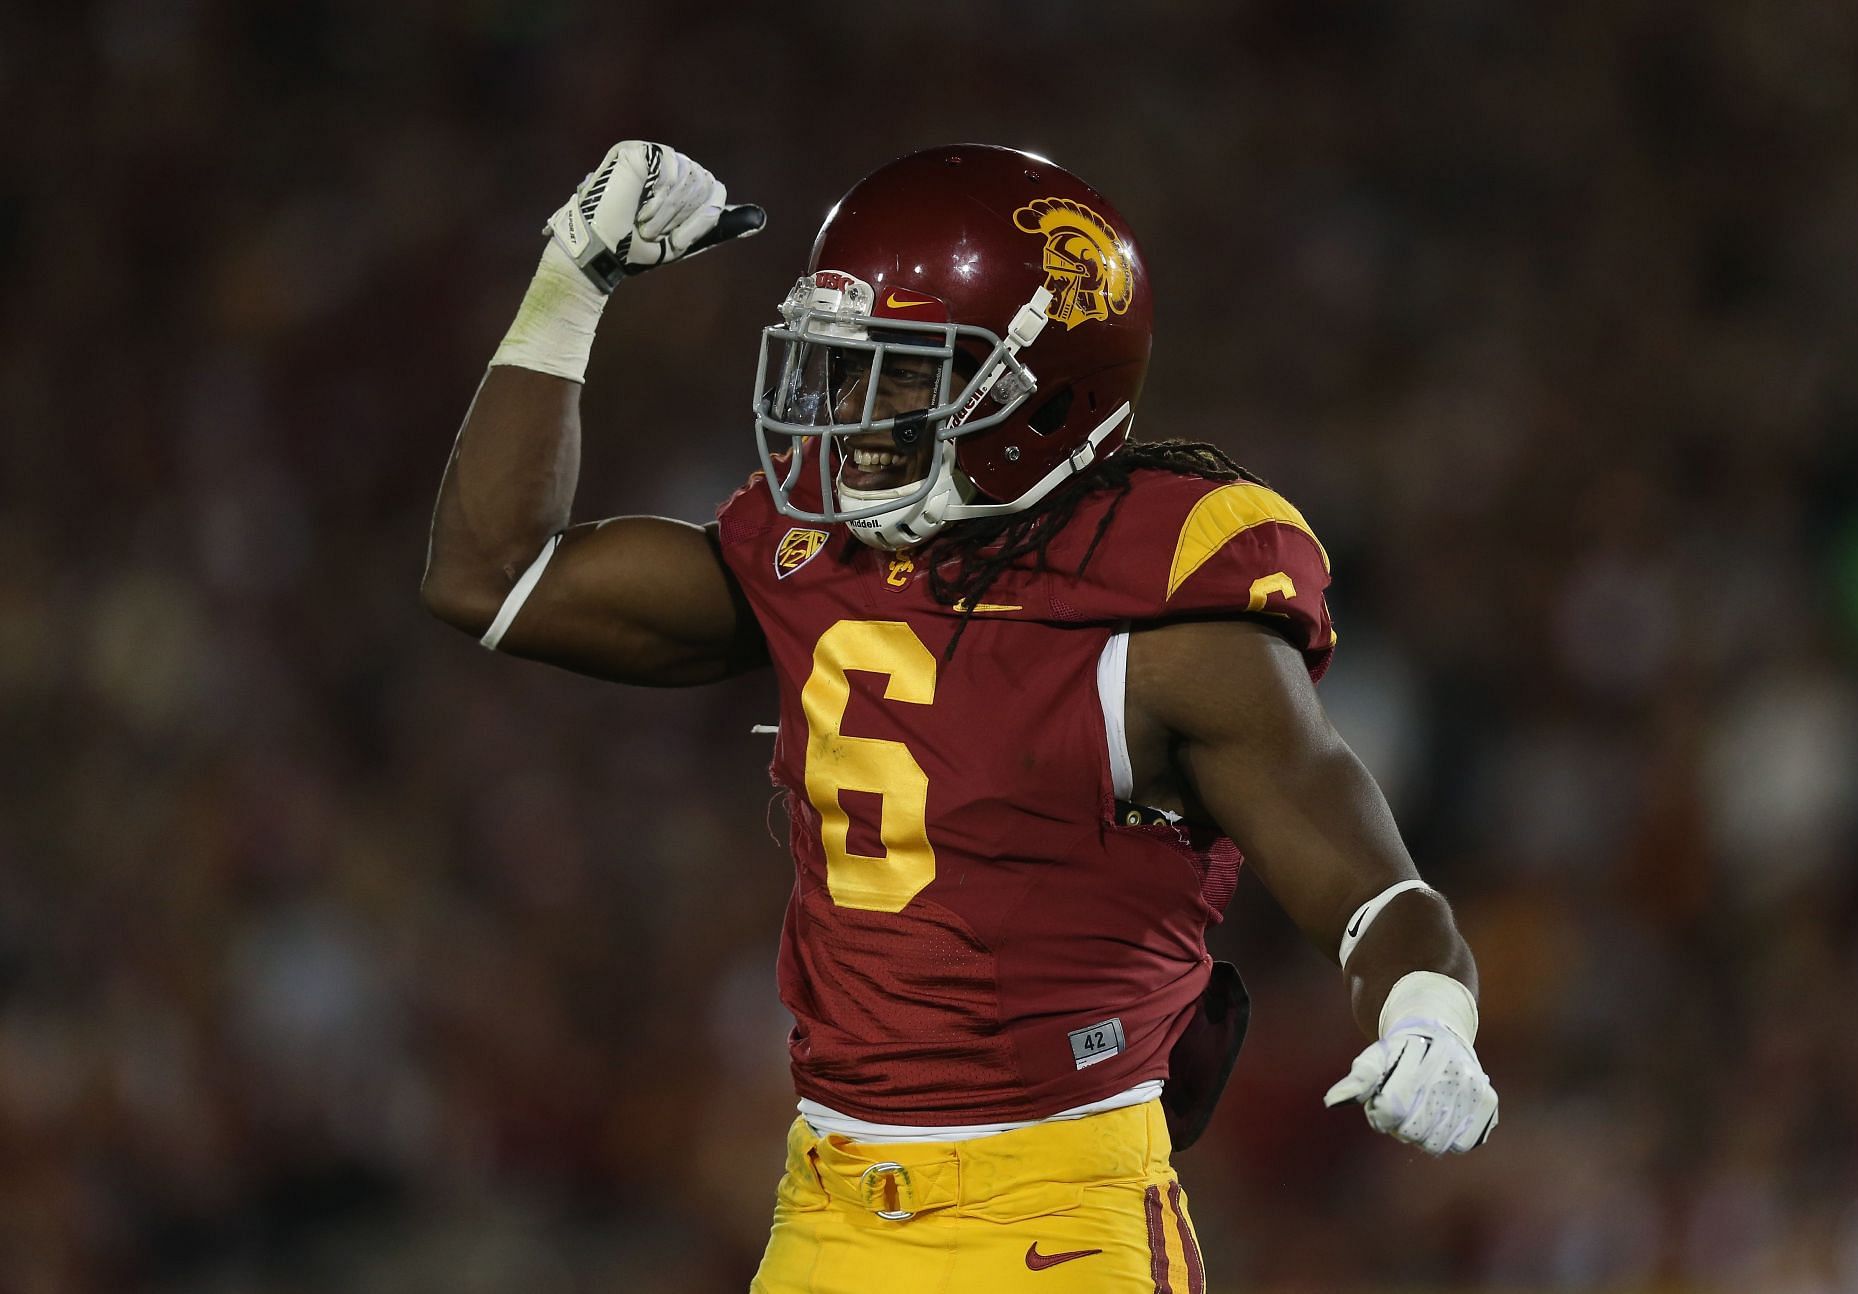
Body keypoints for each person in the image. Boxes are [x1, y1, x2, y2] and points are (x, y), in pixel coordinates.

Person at [423, 140, 1500, 1293]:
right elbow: (489, 574)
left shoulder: (1168, 636)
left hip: (1056, 1216)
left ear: (1043, 391)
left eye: (903, 372)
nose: (853, 413)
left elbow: (1378, 894)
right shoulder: (811, 562)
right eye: (846, 366)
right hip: (826, 1210)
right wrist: (572, 277)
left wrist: (1430, 1014)